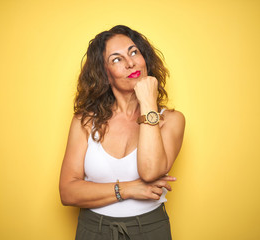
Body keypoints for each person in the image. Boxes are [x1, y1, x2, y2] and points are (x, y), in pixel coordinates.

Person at [59, 25, 185, 240]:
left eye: (133, 52)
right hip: (93, 229)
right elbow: (68, 192)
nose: (130, 63)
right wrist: (127, 189)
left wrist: (147, 101)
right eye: (116, 59)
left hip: (150, 229)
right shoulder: (85, 120)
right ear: (106, 75)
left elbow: (150, 172)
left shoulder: (171, 120)